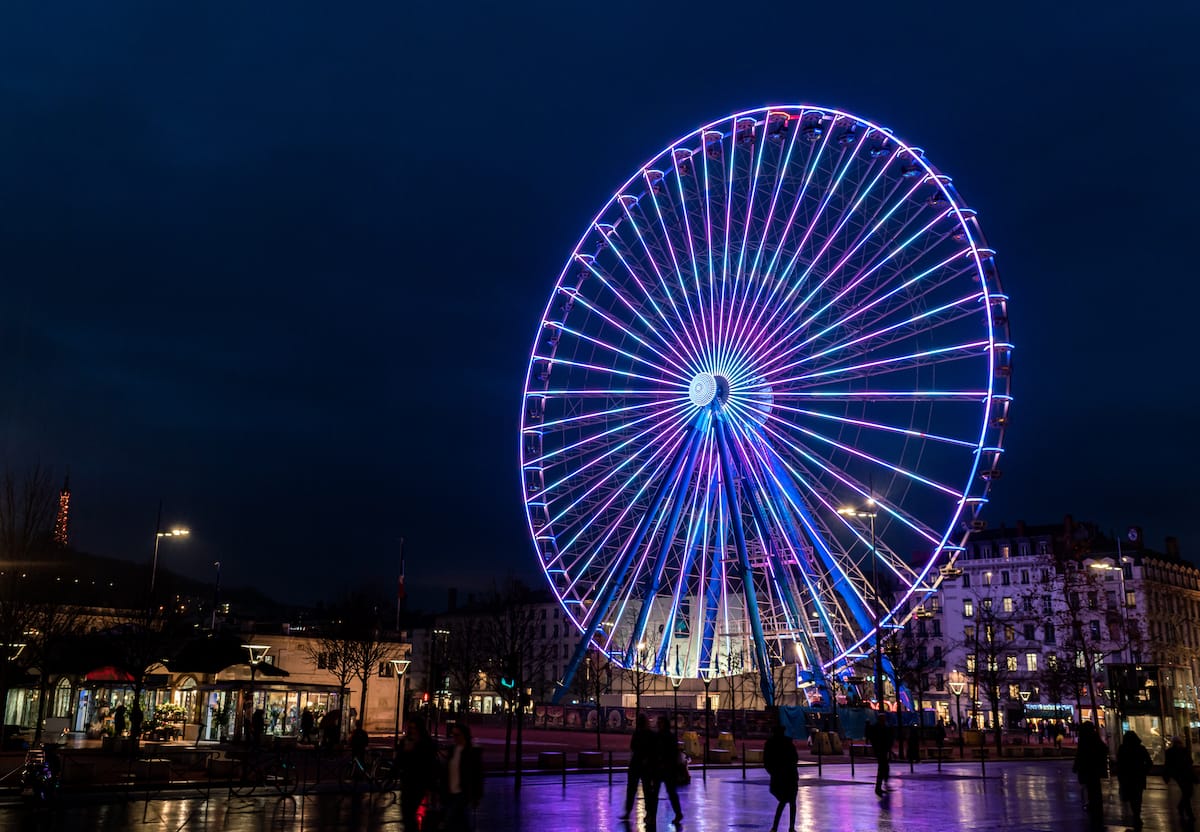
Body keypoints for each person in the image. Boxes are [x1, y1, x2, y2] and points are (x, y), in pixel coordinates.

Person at [443, 722, 484, 832]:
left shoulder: (471, 752)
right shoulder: (453, 750)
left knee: (450, 820)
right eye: (453, 735)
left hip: (462, 792)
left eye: (457, 735)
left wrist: (477, 796)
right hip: (451, 792)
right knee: (461, 822)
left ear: (464, 735)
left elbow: (477, 775)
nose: (454, 738)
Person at [399, 717, 438, 832]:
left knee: (411, 812)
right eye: (410, 728)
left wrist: (431, 787)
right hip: (407, 782)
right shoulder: (406, 742)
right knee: (407, 813)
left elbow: (429, 764)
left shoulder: (425, 743)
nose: (412, 731)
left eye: (414, 728)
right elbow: (399, 762)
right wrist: (405, 751)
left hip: (419, 783)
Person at [649, 715, 683, 827]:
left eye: (660, 722)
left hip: (663, 768)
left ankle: (653, 817)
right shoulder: (669, 736)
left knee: (658, 793)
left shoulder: (660, 736)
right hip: (666, 768)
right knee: (669, 793)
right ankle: (677, 813)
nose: (658, 724)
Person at [763, 723, 798, 832]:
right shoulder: (788, 743)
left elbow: (767, 761)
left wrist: (773, 772)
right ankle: (791, 827)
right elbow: (795, 758)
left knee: (783, 801)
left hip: (779, 776)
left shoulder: (770, 744)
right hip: (791, 775)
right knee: (792, 802)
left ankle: (775, 827)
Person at [1073, 721, 1109, 826]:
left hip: (1088, 768)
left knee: (1090, 787)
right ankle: (1096, 805)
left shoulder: (1084, 739)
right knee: (1095, 788)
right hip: (1095, 769)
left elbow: (1080, 754)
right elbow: (1103, 749)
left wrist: (1076, 766)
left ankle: (1093, 805)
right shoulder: (1095, 738)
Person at [1116, 729, 1152, 830]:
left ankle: (1136, 815)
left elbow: (1120, 764)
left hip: (1127, 778)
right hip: (1138, 777)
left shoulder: (1122, 749)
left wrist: (1121, 776)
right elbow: (1149, 762)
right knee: (1138, 797)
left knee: (1131, 797)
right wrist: (1143, 771)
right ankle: (1137, 815)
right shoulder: (1141, 748)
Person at [622, 714, 656, 820]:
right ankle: (649, 813)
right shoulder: (650, 734)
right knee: (647, 790)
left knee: (632, 789)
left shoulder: (637, 733)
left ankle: (628, 811)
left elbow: (633, 747)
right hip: (645, 765)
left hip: (636, 763)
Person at [1164, 736, 1196, 821]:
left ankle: (1182, 808)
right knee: (1187, 792)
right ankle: (1188, 813)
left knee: (1187, 792)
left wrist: (1167, 776)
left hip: (1178, 774)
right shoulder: (1184, 750)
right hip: (1184, 774)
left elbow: (1167, 765)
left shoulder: (1169, 752)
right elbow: (1190, 762)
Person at [866, 712, 895, 795]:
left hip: (881, 749)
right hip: (881, 750)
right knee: (883, 768)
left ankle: (880, 786)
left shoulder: (879, 727)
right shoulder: (880, 728)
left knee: (884, 767)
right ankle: (880, 786)